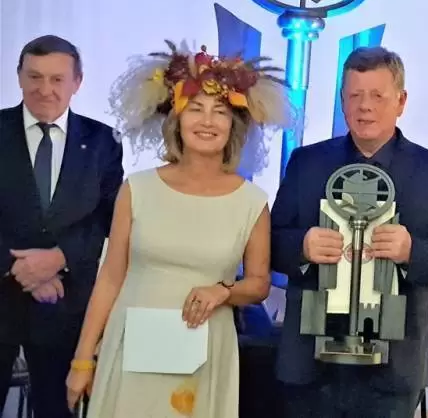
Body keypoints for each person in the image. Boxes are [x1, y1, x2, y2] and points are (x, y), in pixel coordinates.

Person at [64, 41, 293, 417]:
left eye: (219, 112)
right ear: (177, 119)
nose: (207, 121)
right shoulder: (137, 189)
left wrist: (223, 291)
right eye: (196, 109)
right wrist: (82, 359)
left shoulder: (251, 201)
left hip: (204, 352)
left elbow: (259, 285)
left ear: (233, 125)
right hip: (130, 348)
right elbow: (110, 278)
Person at [271, 46, 428, 418]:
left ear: (401, 101)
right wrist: (302, 246)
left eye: (378, 96)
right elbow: (269, 244)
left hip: (395, 369)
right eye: (355, 96)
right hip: (308, 364)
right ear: (342, 101)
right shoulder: (306, 163)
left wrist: (412, 251)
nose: (364, 106)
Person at [0, 35, 123, 418]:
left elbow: (108, 217)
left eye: (57, 79)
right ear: (19, 77)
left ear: (77, 82)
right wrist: (20, 267)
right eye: (34, 77)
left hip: (66, 307)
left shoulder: (103, 141)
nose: (45, 89)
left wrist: (60, 257)